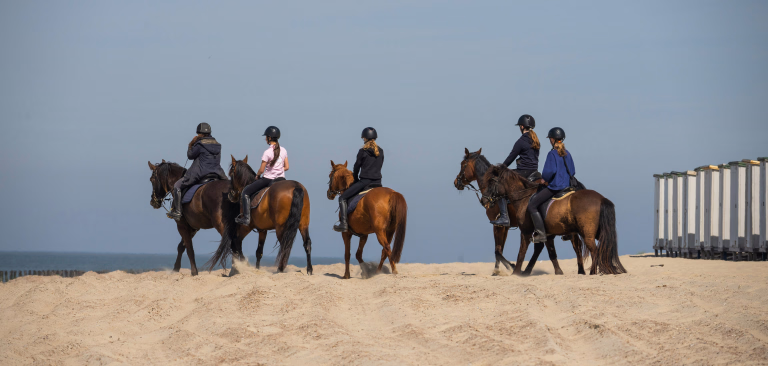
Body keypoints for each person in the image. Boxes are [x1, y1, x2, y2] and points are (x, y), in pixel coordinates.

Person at [167, 123, 228, 221]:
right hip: (217, 172)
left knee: (177, 186)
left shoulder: (199, 144)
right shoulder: (217, 145)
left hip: (201, 173)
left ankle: (177, 211)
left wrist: (191, 144)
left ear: (199, 134)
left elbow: (190, 155)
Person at [490, 114, 541, 227]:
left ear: (522, 126)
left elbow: (510, 158)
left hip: (523, 171)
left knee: (499, 183)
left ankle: (504, 216)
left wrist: (500, 169)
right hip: (534, 171)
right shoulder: (535, 140)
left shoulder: (521, 141)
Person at [527, 127, 575, 243]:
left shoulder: (552, 154)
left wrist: (544, 180)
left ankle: (541, 234)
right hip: (568, 187)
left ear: (552, 139)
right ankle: (568, 232)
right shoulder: (567, 153)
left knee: (532, 205)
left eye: (550, 139)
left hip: (556, 187)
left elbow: (549, 172)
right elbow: (572, 171)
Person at [234, 126, 289, 226]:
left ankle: (246, 218)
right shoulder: (284, 150)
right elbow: (287, 167)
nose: (265, 139)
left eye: (266, 137)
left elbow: (261, 170)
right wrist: (279, 170)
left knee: (245, 192)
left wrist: (257, 175)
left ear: (269, 138)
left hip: (268, 179)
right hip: (281, 179)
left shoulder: (267, 152)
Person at [333, 127, 384, 232]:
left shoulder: (363, 151)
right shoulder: (381, 151)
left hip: (365, 182)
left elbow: (356, 167)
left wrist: (355, 179)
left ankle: (344, 224)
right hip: (378, 184)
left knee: (342, 198)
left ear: (364, 138)